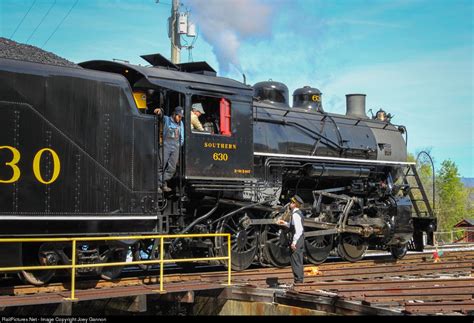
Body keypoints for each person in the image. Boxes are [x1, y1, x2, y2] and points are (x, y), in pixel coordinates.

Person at [153, 106, 184, 194]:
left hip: (176, 147)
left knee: (172, 169)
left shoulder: (181, 123)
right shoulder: (167, 120)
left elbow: (182, 137)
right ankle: (160, 185)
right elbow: (161, 116)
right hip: (166, 145)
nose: (180, 118)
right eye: (179, 116)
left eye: (181, 117)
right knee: (161, 166)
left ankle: (160, 181)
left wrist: (178, 145)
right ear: (174, 114)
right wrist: (160, 111)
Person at [277, 195, 305, 285]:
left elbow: (299, 230)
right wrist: (284, 223)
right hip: (299, 240)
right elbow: (292, 226)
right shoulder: (296, 213)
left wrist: (294, 242)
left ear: (295, 204)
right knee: (297, 260)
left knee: (296, 261)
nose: (290, 204)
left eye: (292, 202)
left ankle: (298, 281)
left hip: (297, 240)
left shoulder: (296, 215)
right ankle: (298, 280)